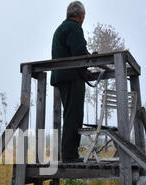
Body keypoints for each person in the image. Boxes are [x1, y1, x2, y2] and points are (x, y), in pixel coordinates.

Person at [51, 1, 91, 163]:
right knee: (74, 116)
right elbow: (80, 53)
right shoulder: (75, 28)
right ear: (81, 16)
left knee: (69, 115)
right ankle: (69, 156)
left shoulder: (61, 28)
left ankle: (69, 154)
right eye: (84, 16)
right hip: (71, 77)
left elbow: (71, 52)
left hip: (61, 77)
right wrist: (86, 69)